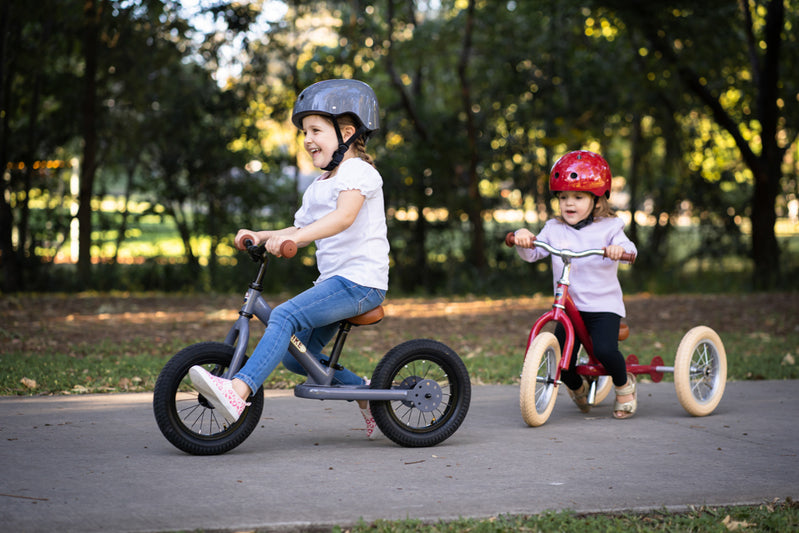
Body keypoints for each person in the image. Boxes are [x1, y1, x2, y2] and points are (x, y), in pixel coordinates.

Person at [189, 79, 389, 438]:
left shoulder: (359, 172)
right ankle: (365, 392)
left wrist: (294, 238)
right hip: (335, 283)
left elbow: (343, 217)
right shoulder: (320, 186)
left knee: (284, 315)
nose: (308, 139)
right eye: (304, 132)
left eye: (316, 130)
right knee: (297, 358)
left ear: (346, 131)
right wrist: (262, 236)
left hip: (360, 282)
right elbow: (297, 228)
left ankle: (237, 393)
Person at [511, 150, 638, 419]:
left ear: (596, 198)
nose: (569, 203)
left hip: (603, 306)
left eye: (578, 197)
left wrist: (618, 250)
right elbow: (534, 252)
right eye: (563, 197)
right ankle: (578, 387)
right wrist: (524, 239)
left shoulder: (610, 227)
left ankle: (624, 385)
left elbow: (629, 250)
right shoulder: (554, 229)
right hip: (569, 308)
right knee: (562, 362)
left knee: (604, 350)